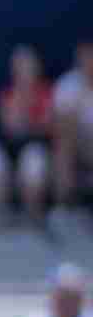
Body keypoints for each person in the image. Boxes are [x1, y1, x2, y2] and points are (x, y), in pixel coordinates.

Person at [0, 45, 54, 225]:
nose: (24, 70)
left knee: (34, 162)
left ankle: (33, 220)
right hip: (9, 149)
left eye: (28, 65)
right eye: (19, 66)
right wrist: (27, 114)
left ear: (37, 67)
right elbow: (10, 127)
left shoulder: (46, 92)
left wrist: (30, 123)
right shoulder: (6, 94)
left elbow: (47, 127)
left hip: (36, 148)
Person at [51, 38, 93, 212]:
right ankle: (64, 206)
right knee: (65, 143)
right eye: (86, 57)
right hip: (76, 146)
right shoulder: (67, 84)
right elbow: (61, 125)